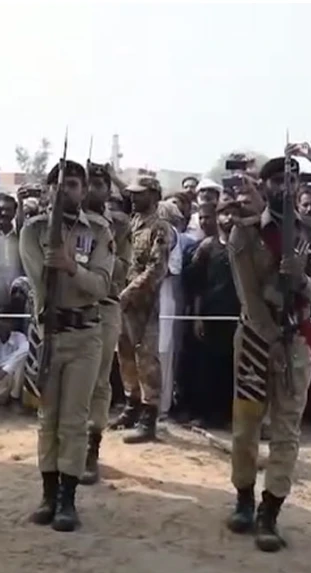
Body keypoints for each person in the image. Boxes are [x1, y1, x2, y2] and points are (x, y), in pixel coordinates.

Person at [224, 156, 311, 553]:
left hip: (297, 338)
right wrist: (271, 341)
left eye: (293, 179)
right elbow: (248, 297)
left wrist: (300, 278)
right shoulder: (245, 234)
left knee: (286, 430)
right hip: (255, 339)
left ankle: (271, 511)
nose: (286, 187)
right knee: (246, 426)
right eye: (277, 180)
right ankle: (244, 499)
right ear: (263, 186)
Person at [19, 159, 114, 533]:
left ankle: (67, 500)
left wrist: (72, 267)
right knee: (48, 418)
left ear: (84, 189)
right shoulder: (33, 230)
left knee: (74, 419)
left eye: (73, 185)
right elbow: (39, 285)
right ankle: (47, 492)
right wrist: (55, 267)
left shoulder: (100, 231)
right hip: (49, 332)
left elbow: (102, 286)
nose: (66, 191)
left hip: (85, 333)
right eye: (58, 185)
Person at [110, 176, 170, 444]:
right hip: (123, 301)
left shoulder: (160, 227)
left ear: (154, 195)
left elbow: (157, 268)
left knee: (146, 359)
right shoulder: (131, 223)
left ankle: (149, 417)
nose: (133, 198)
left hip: (145, 304)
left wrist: (129, 293)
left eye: (140, 194)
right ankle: (131, 406)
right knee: (124, 354)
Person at [81, 161, 128, 485]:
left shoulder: (120, 225)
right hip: (72, 307)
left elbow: (123, 268)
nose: (95, 190)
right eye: (90, 184)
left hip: (105, 306)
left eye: (101, 185)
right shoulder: (69, 222)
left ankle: (90, 446)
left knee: (98, 381)